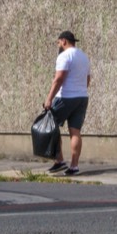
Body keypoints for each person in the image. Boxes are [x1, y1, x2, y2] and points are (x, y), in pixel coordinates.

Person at [44, 30, 91, 175]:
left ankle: (59, 161)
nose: (58, 45)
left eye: (59, 42)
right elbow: (87, 79)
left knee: (51, 127)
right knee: (75, 131)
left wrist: (49, 98)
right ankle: (74, 166)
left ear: (63, 41)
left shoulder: (64, 56)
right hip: (82, 97)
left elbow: (59, 79)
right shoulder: (84, 57)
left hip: (65, 97)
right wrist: (79, 91)